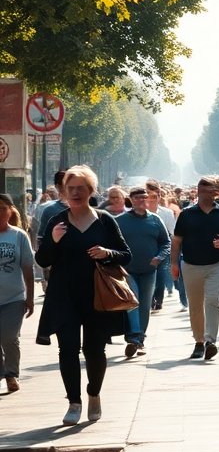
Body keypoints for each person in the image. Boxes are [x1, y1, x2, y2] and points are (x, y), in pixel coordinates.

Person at [35, 166, 132, 425]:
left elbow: (126, 254)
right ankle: (74, 402)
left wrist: (107, 253)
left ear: (91, 191)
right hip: (63, 295)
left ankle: (94, 394)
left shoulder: (104, 220)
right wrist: (53, 241)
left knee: (94, 350)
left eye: (80, 188)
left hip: (97, 295)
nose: (75, 193)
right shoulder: (57, 221)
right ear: (63, 192)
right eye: (70, 189)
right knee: (67, 349)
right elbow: (42, 259)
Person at [170, 176, 219, 361]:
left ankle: (211, 341)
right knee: (195, 305)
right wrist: (173, 264)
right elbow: (177, 240)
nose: (206, 194)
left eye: (210, 191)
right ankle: (199, 342)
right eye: (203, 190)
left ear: (215, 192)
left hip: (216, 265)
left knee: (211, 300)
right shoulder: (187, 214)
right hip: (191, 265)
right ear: (198, 191)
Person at [116, 187, 170, 358]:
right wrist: (117, 263)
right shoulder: (120, 221)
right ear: (130, 200)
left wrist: (159, 257)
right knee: (133, 302)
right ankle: (133, 337)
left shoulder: (155, 220)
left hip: (149, 270)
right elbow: (112, 244)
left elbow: (166, 242)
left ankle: (139, 338)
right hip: (127, 271)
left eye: (144, 197)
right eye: (137, 197)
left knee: (145, 305)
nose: (141, 200)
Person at [0, 193, 36, 393]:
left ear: (10, 211)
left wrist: (30, 298)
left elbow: (28, 268)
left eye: (2, 208)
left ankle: (12, 373)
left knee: (8, 337)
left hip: (13, 298)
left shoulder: (18, 235)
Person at [145, 180, 179, 312]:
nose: (152, 199)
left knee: (160, 278)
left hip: (162, 249)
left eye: (155, 196)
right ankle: (149, 300)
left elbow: (173, 232)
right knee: (148, 277)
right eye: (149, 196)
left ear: (159, 197)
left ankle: (158, 300)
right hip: (145, 249)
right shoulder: (140, 212)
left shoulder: (167, 213)